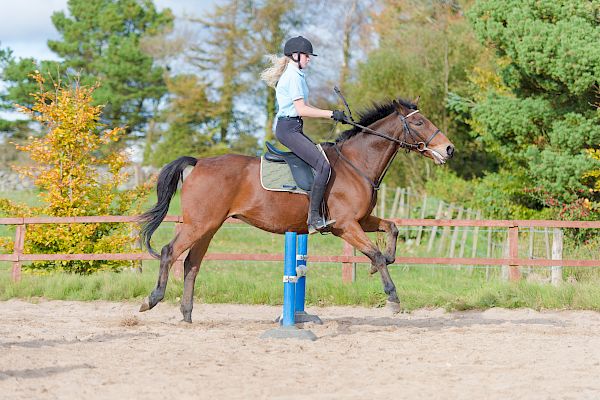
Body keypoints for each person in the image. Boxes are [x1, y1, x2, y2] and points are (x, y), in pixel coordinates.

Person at [260, 36, 348, 234]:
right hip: (288, 128)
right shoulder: (292, 77)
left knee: (321, 160)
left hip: (293, 128)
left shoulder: (297, 75)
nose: (309, 59)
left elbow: (304, 108)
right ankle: (314, 218)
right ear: (296, 55)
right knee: (323, 166)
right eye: (307, 55)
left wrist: (333, 115)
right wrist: (330, 113)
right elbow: (301, 109)